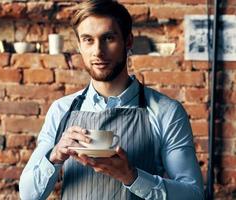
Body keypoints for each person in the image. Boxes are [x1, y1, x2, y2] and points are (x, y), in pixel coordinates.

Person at [19, 0, 204, 199]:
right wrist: (55, 157)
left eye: (108, 38)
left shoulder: (167, 112)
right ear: (80, 46)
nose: (98, 51)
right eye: (88, 40)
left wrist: (131, 176)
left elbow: (193, 194)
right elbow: (29, 195)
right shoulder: (61, 110)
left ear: (128, 41)